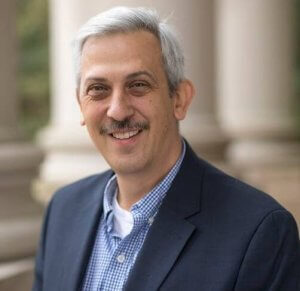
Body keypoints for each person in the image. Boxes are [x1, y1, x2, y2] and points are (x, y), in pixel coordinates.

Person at [33, 6, 300, 291]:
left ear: (179, 100)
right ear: (81, 106)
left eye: (138, 85)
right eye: (98, 89)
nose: (118, 110)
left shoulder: (260, 231)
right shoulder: (63, 209)